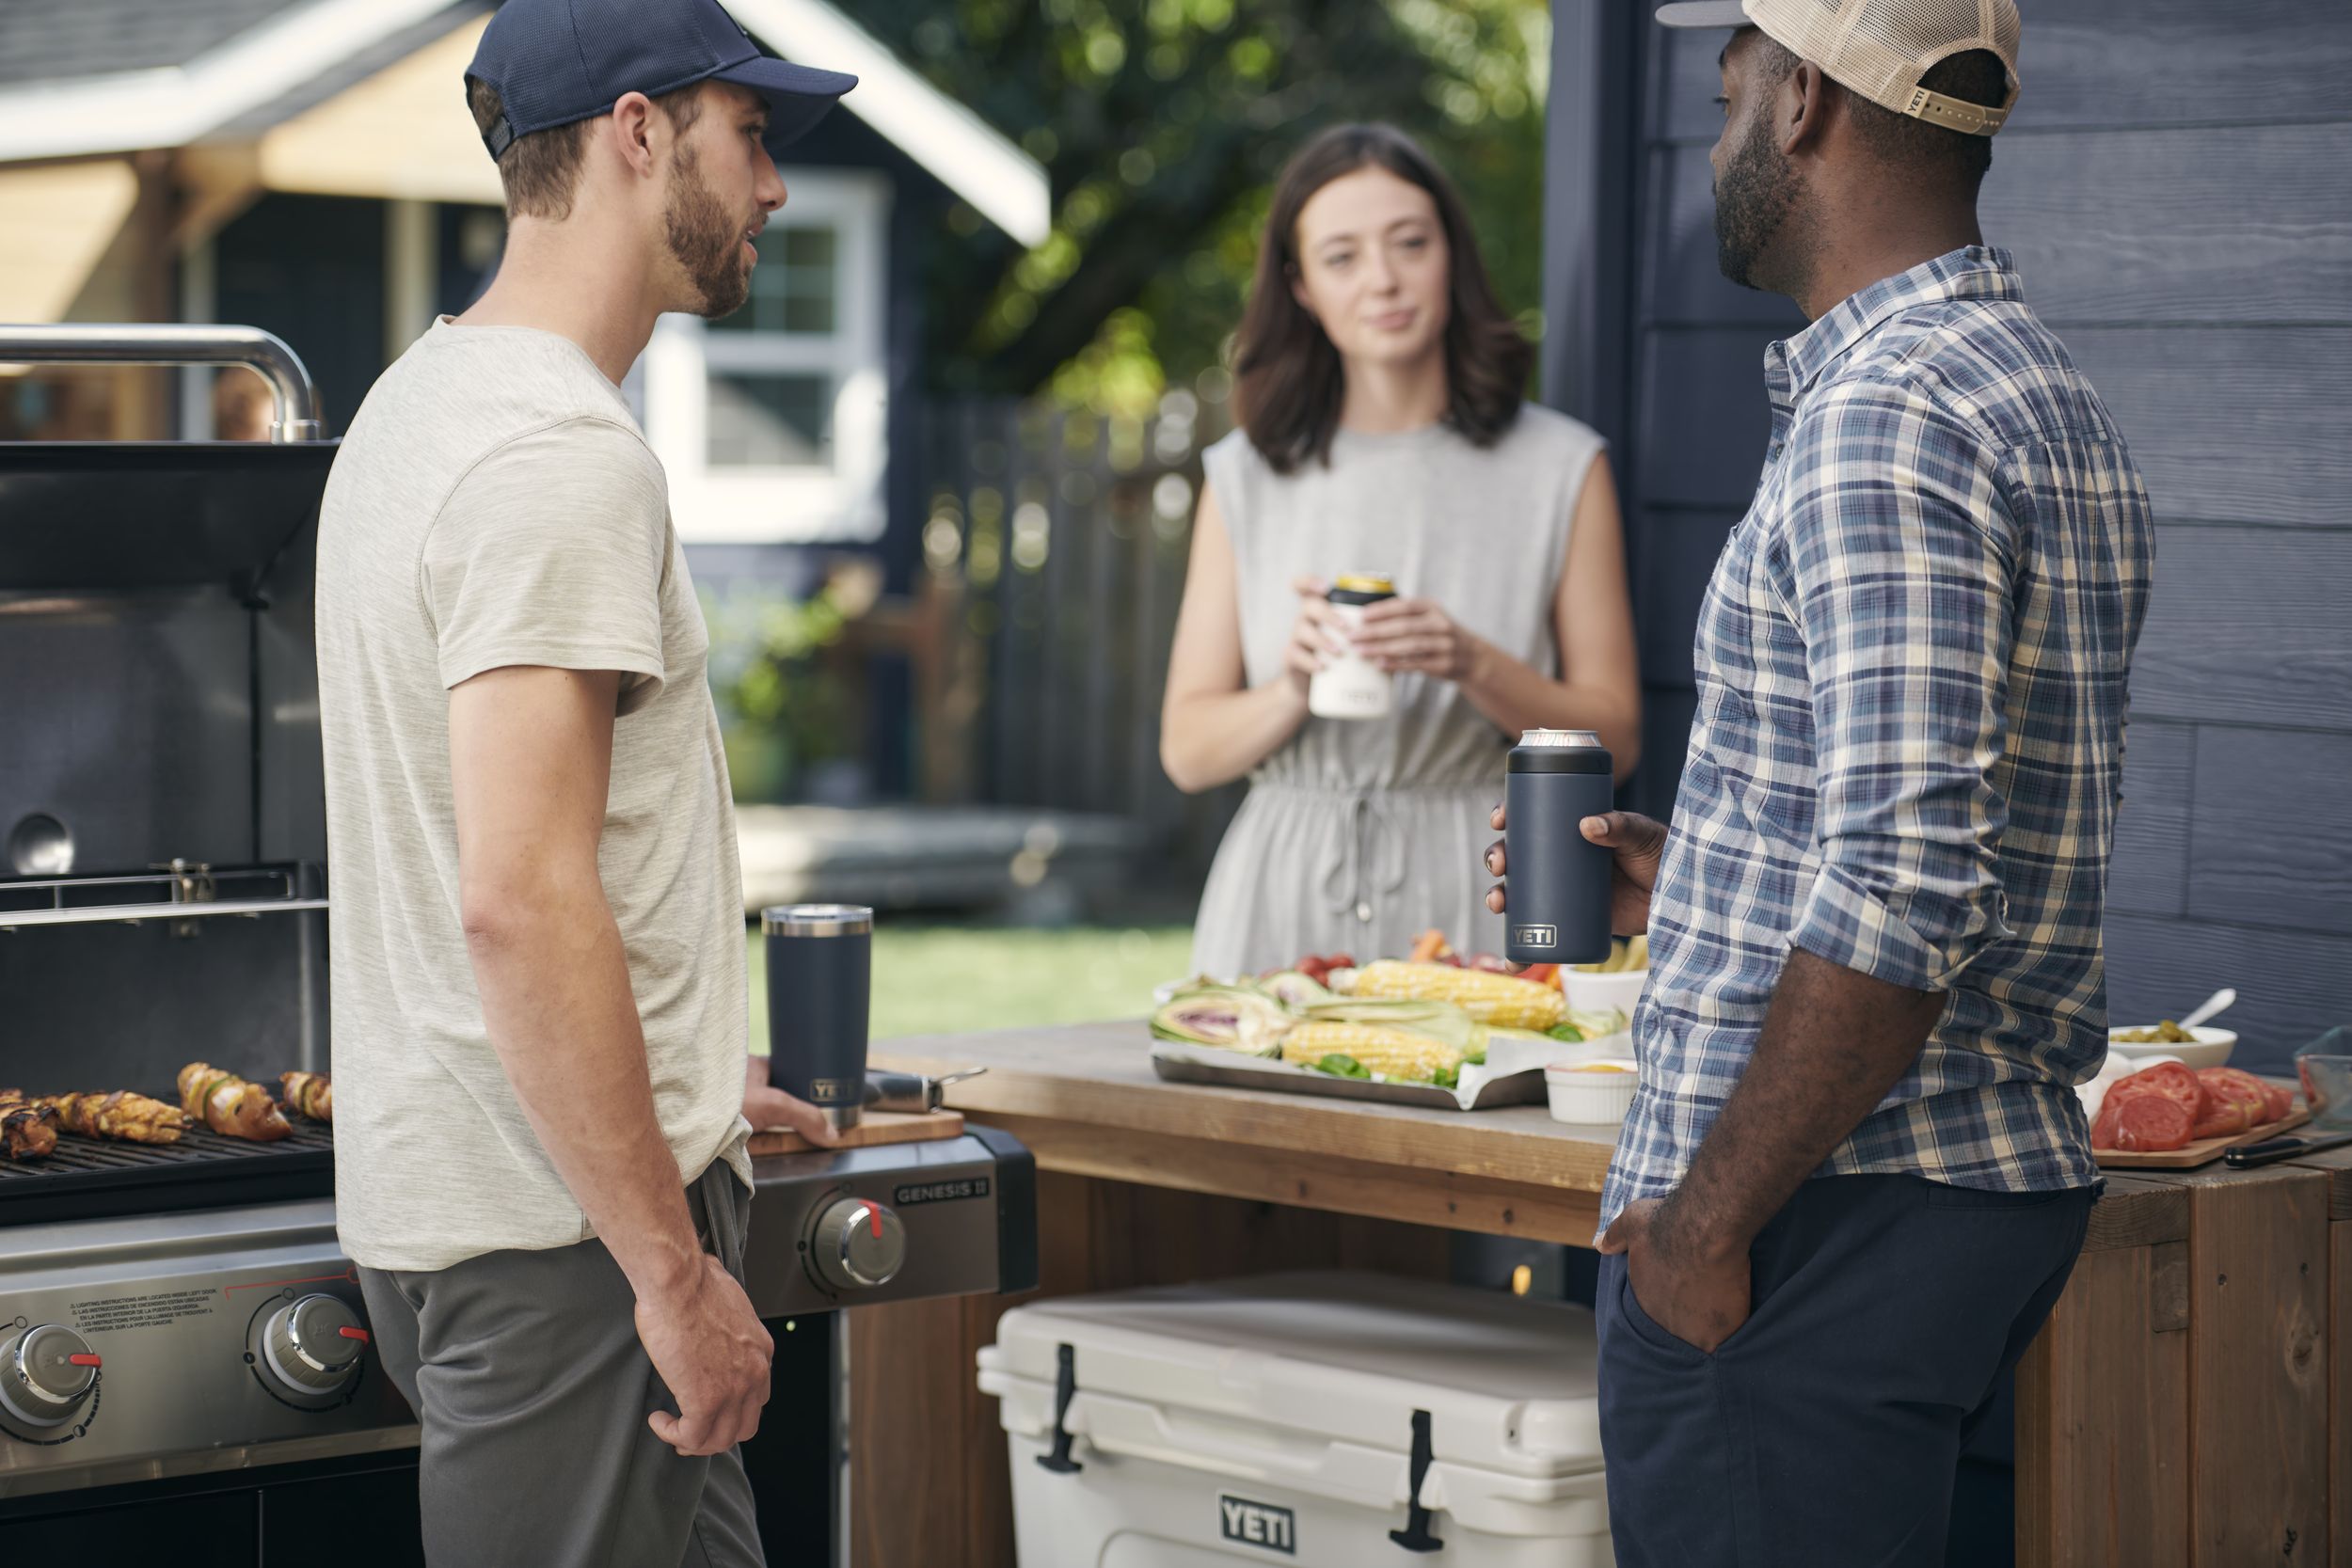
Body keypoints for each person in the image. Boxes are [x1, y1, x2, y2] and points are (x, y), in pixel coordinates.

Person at [1485, 1, 2153, 1562]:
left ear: (1803, 104)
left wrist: (1703, 1223)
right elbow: (1958, 822)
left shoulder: (1886, 420)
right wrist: (1703, 877)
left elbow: (1909, 884)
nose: (1716, 141)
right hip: (1935, 1203)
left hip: (1815, 1222)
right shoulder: (2034, 388)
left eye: (1730, 94)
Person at [310, 1, 856, 1561]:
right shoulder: (556, 456)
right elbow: (522, 899)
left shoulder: (419, 405)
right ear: (636, 130)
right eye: (749, 134)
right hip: (569, 1251)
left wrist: (678, 1073)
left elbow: (492, 850)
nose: (774, 187)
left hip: (519, 1205)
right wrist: (672, 1270)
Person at [1162, 122, 1640, 979]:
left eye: (1410, 243)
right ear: (1301, 286)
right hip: (1278, 889)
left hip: (1482, 877)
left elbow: (1619, 737)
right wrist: (1292, 687)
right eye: (1341, 256)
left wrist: (1469, 661)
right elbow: (1188, 751)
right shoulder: (1244, 475)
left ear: (1451, 254)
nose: (1382, 278)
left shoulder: (1562, 467)